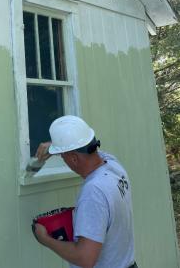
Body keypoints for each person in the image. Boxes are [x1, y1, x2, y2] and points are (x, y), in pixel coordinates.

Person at [32, 115, 137, 268]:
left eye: (63, 156)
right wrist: (58, 146)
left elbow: (85, 258)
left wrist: (45, 239)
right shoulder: (112, 164)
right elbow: (90, 149)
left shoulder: (93, 192)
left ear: (74, 159)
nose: (63, 159)